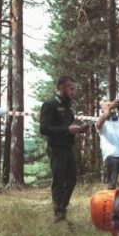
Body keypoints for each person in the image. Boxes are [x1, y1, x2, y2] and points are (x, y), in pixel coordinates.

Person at [40, 75, 84, 222]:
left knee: (71, 180)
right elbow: (44, 129)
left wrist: (79, 129)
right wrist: (67, 129)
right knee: (59, 182)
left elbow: (68, 126)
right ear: (61, 88)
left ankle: (62, 209)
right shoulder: (50, 104)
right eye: (71, 88)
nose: (73, 91)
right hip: (56, 149)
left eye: (74, 88)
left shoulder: (67, 106)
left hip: (68, 148)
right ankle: (58, 215)